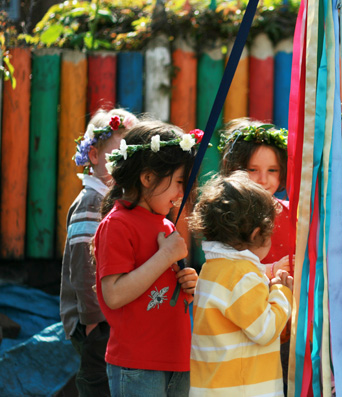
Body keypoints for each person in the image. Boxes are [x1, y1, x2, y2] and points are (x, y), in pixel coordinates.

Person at [92, 121, 202, 396]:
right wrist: (165, 256)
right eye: (178, 182)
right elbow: (114, 295)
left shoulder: (165, 225)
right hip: (138, 364)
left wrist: (189, 285)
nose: (181, 194)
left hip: (178, 358)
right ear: (148, 177)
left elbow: (165, 292)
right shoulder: (117, 224)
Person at [188, 171, 293, 396]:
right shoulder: (242, 275)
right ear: (257, 233)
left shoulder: (212, 269)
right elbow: (265, 330)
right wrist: (282, 292)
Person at [60, 108, 137, 396]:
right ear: (94, 155)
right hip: (95, 321)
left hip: (110, 315)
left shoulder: (111, 200)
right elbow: (83, 269)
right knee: (98, 383)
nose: (126, 164)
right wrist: (93, 322)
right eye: (118, 155)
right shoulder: (92, 202)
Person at [218, 119, 294, 390]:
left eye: (273, 170)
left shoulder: (294, 213)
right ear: (235, 169)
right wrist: (271, 270)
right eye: (253, 170)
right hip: (243, 325)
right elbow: (221, 273)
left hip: (288, 325)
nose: (263, 179)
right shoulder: (226, 218)